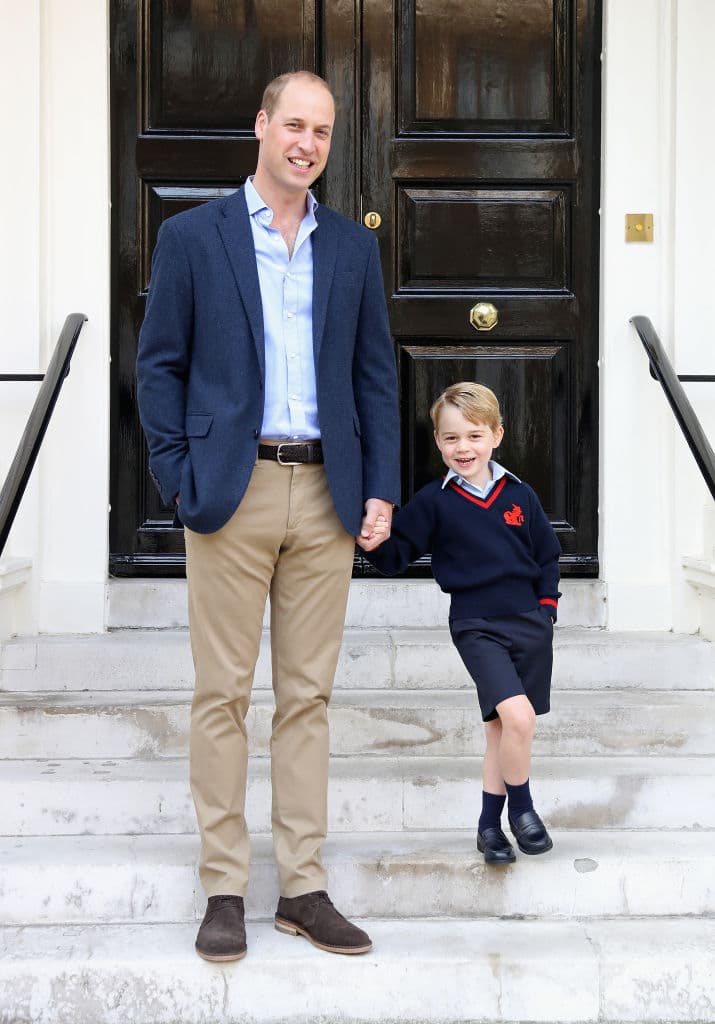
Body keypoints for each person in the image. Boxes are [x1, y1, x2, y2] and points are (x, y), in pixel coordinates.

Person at [136, 71, 400, 961]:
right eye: (294, 124)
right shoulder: (192, 237)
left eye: (322, 131)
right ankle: (222, 886)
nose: (307, 143)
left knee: (307, 698)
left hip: (327, 493)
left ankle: (302, 886)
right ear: (261, 126)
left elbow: (374, 376)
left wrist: (380, 486)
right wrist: (177, 477)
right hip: (230, 489)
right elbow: (159, 365)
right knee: (221, 695)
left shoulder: (352, 249)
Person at [358, 382, 559, 866]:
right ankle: (523, 811)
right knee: (519, 719)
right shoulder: (434, 502)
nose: (463, 448)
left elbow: (548, 555)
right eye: (451, 439)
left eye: (473, 436)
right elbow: (395, 556)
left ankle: (488, 827)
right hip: (476, 625)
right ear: (437, 442)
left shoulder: (520, 495)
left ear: (496, 435)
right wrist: (370, 542)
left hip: (530, 624)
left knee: (500, 730)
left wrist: (547, 612)